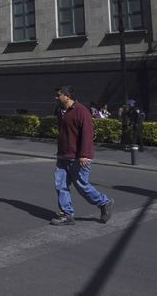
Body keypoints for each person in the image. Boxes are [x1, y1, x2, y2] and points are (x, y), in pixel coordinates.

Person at [50, 85, 114, 226]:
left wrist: (84, 154)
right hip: (63, 155)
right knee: (60, 185)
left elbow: (87, 134)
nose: (56, 97)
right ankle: (67, 214)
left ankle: (104, 202)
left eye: (58, 95)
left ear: (67, 96)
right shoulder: (60, 111)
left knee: (82, 186)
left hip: (79, 157)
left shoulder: (81, 111)